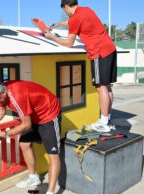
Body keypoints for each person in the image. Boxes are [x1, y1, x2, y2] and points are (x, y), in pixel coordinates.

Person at [44, 0, 117, 132]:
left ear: (66, 7)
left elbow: (68, 43)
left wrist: (51, 37)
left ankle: (104, 122)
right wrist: (59, 24)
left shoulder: (75, 19)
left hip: (98, 52)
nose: (65, 13)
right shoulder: (86, 10)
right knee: (107, 87)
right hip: (110, 48)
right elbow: (72, 22)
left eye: (64, 10)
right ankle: (108, 119)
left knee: (101, 88)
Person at [0, 80, 61, 194]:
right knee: (24, 143)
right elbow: (1, 113)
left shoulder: (17, 96)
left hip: (49, 115)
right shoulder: (1, 90)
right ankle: (33, 177)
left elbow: (26, 124)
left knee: (53, 154)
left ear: (3, 93)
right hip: (35, 116)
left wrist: (6, 134)